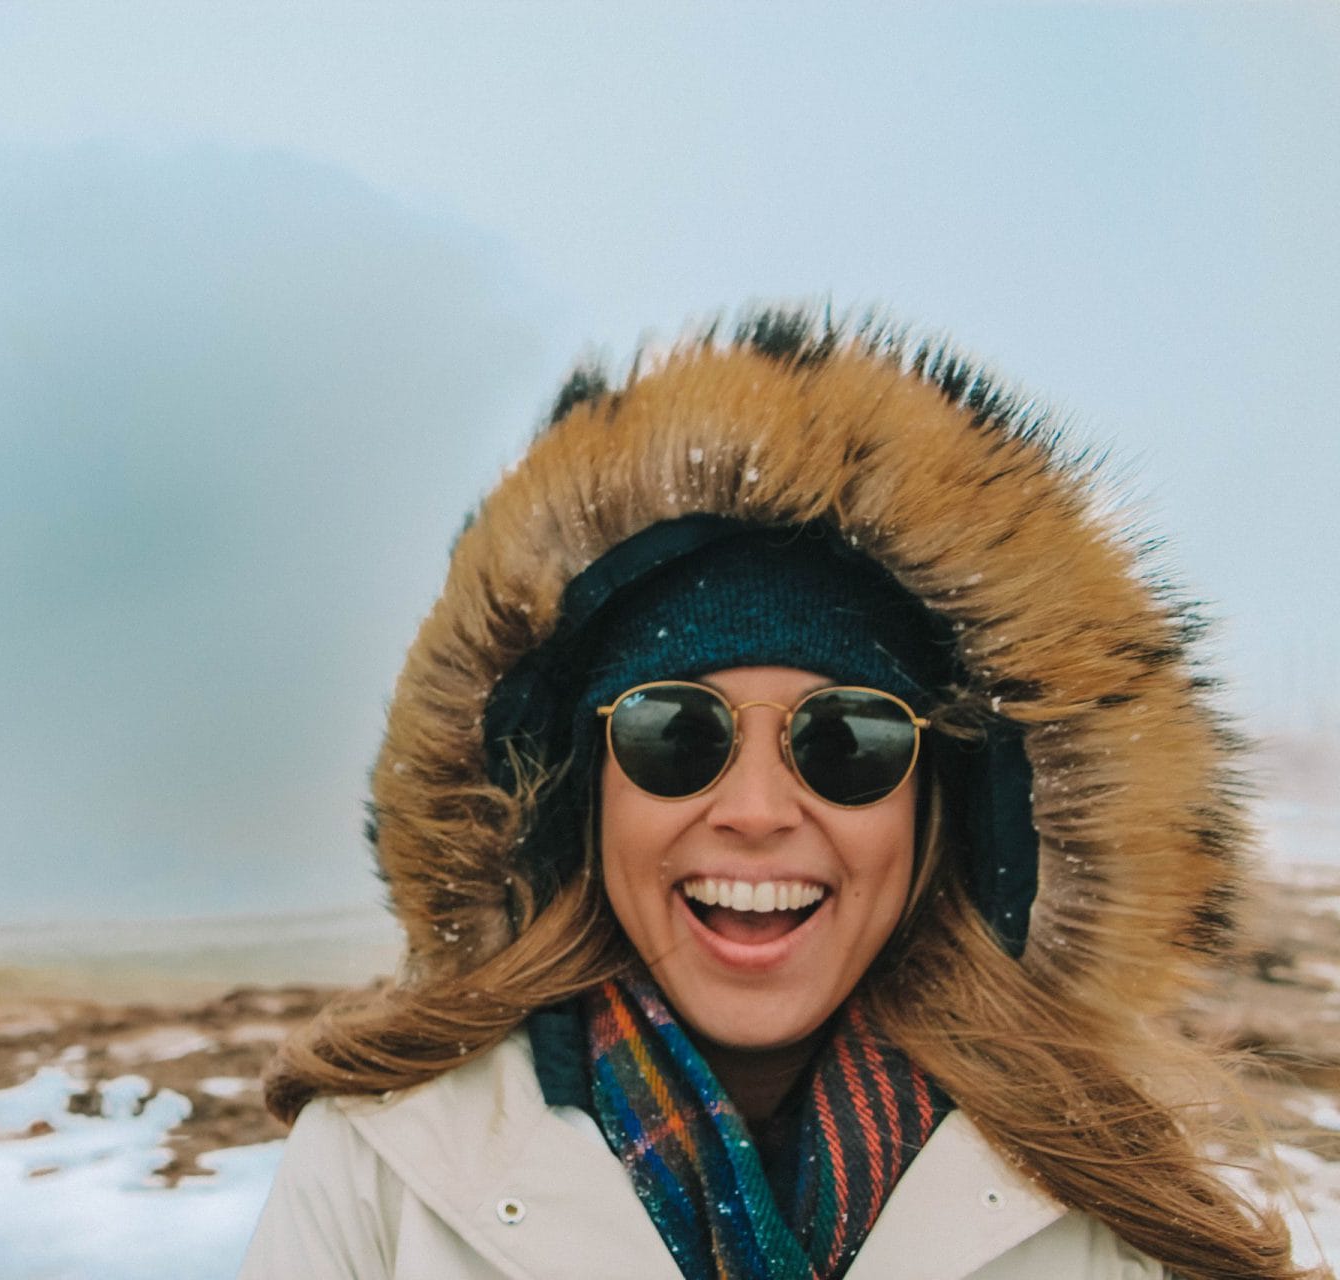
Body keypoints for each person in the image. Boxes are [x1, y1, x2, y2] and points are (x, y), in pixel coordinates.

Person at [239, 309, 1321, 1279]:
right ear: (585, 792)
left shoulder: (1115, 1214)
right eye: (677, 734)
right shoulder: (378, 1175)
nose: (756, 810)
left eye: (846, 741)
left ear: (937, 807)